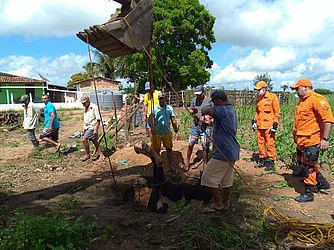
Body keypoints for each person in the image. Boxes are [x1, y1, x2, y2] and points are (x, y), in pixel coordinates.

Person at [290, 78, 333, 202]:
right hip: (301, 138)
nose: (296, 92)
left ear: (305, 87)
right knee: (302, 161)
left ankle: (309, 191)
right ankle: (321, 182)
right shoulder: (302, 101)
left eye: (297, 89)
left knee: (308, 165)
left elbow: (328, 120)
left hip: (312, 139)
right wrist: (295, 135)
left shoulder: (317, 99)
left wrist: (325, 139)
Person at [201, 90, 240, 212]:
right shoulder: (230, 111)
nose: (213, 104)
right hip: (232, 151)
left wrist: (205, 110)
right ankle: (225, 202)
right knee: (226, 180)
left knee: (207, 177)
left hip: (224, 151)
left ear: (218, 101)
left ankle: (218, 203)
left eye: (214, 102)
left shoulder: (222, 109)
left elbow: (206, 110)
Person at [183, 85, 213, 172]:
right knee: (190, 144)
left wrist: (207, 118)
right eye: (196, 94)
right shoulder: (194, 100)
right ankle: (187, 161)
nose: (198, 96)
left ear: (203, 92)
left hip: (205, 127)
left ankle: (205, 163)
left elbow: (214, 112)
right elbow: (190, 111)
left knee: (205, 146)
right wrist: (192, 112)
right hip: (196, 126)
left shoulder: (209, 101)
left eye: (199, 94)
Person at [252, 81, 280, 171]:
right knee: (260, 143)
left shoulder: (272, 97)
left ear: (264, 88)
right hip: (260, 126)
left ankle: (271, 162)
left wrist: (275, 124)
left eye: (259, 89)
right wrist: (254, 121)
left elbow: (277, 112)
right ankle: (262, 159)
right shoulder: (259, 98)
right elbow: (257, 112)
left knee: (270, 144)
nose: (258, 91)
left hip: (269, 126)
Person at [151, 92, 179, 175]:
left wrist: (176, 131)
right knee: (156, 151)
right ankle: (157, 168)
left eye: (163, 98)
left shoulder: (169, 108)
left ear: (166, 99)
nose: (162, 100)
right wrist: (151, 127)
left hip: (167, 133)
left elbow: (173, 120)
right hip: (157, 133)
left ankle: (172, 167)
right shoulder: (155, 109)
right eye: (160, 99)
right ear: (158, 99)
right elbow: (150, 118)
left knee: (169, 150)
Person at [80, 95, 105, 162]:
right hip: (87, 127)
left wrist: (96, 129)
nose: (83, 104)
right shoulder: (85, 108)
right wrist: (84, 128)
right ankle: (101, 155)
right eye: (82, 103)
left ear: (88, 101)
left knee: (84, 139)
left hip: (92, 127)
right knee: (95, 141)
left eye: (84, 103)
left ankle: (87, 155)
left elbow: (98, 119)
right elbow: (85, 119)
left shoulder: (94, 107)